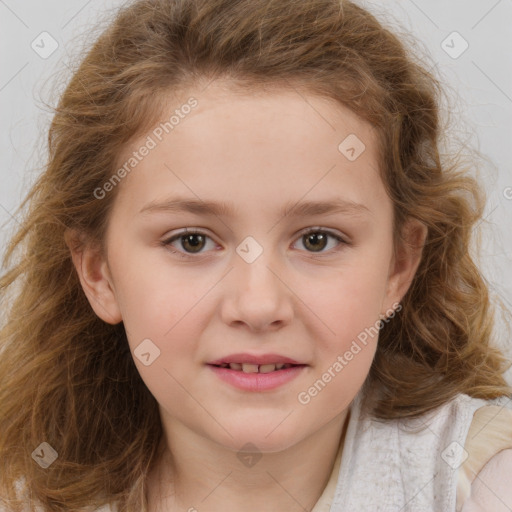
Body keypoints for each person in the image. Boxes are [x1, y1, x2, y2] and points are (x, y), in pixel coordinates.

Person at [1, 0, 511, 511]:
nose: (259, 304)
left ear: (399, 267)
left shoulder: (483, 484)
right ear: (99, 273)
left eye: (317, 239)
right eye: (192, 241)